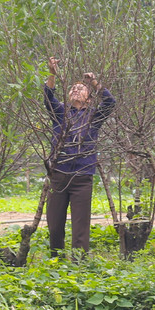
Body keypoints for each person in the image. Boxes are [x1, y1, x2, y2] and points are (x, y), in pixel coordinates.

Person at [42, 56, 115, 258]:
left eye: (80, 89)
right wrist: (52, 74)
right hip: (59, 174)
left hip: (82, 177)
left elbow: (110, 102)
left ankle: (79, 264)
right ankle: (56, 260)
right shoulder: (60, 112)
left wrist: (94, 82)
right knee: (55, 224)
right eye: (72, 88)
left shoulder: (93, 116)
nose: (75, 90)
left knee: (80, 226)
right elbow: (48, 97)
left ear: (89, 98)